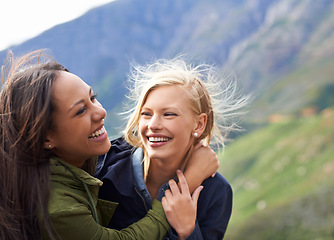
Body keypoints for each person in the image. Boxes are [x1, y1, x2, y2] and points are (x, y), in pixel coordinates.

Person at [0, 50, 219, 240]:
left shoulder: (218, 192)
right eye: (80, 111)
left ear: (199, 123)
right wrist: (185, 186)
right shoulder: (60, 207)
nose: (101, 112)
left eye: (92, 98)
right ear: (46, 138)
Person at [95, 57, 248, 239]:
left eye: (169, 114)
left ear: (199, 124)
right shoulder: (103, 165)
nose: (153, 124)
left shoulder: (216, 191)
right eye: (146, 114)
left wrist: (187, 232)